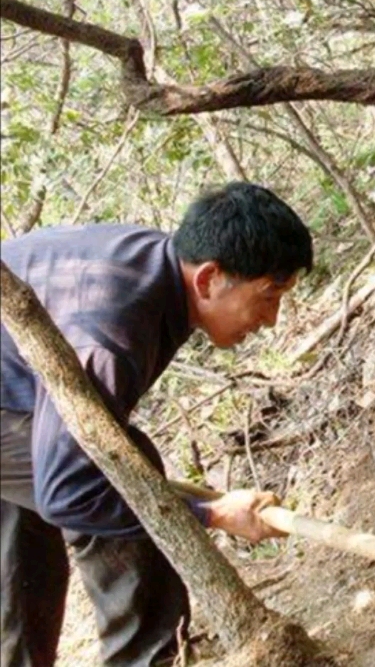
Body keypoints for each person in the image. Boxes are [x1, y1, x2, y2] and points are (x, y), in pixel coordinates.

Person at [0, 181, 314, 667]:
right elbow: (72, 493)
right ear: (209, 278)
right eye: (269, 295)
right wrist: (212, 515)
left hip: (12, 392)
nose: (272, 319)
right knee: (120, 473)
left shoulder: (158, 268)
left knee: (29, 540)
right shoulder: (109, 331)